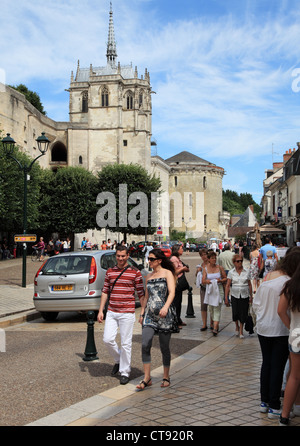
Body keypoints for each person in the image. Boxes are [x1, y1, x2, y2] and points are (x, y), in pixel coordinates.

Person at [252, 247, 300, 420]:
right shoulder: (289, 284)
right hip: (280, 329)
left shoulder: (267, 282)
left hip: (264, 328)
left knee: (267, 364)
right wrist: (291, 328)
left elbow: (256, 305)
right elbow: (284, 311)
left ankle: (264, 402)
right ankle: (273, 404)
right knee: (277, 367)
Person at [97, 245, 145, 385]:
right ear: (115, 256)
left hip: (127, 312)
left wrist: (142, 312)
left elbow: (141, 294)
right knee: (107, 339)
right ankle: (119, 360)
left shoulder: (135, 273)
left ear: (128, 256)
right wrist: (101, 310)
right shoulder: (110, 272)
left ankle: (125, 372)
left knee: (126, 343)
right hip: (112, 311)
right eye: (118, 256)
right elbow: (105, 291)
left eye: (123, 256)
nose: (121, 258)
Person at [136, 248, 177, 391]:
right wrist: (142, 313)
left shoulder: (167, 273)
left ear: (159, 260)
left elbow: (172, 292)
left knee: (164, 346)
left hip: (164, 315)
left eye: (152, 259)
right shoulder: (148, 277)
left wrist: (166, 307)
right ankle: (147, 378)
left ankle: (166, 376)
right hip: (150, 315)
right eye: (149, 259)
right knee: (145, 344)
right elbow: (146, 297)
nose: (149, 261)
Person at [278, 256, 300, 426]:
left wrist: (291, 326)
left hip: (296, 335)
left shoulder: (290, 286)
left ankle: (284, 416)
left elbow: (281, 310)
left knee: (294, 376)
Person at [225, 254, 252, 339]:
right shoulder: (231, 272)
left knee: (243, 312)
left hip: (244, 294)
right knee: (235, 312)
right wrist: (226, 297)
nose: (240, 263)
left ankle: (241, 331)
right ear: (234, 262)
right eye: (238, 261)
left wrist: (251, 296)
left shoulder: (246, 271)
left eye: (241, 261)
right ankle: (236, 325)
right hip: (235, 294)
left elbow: (249, 284)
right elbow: (228, 285)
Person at [202, 251, 227, 336]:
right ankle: (215, 323)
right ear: (208, 259)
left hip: (218, 289)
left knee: (217, 307)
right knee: (211, 309)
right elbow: (203, 281)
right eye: (212, 258)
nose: (214, 259)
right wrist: (207, 281)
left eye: (215, 258)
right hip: (210, 290)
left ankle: (215, 327)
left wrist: (220, 280)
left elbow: (225, 278)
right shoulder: (205, 268)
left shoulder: (219, 268)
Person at [170, 244, 190, 329]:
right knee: (176, 303)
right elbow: (174, 272)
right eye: (181, 249)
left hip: (179, 284)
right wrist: (183, 269)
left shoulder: (178, 259)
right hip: (176, 283)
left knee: (179, 302)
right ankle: (175, 322)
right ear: (177, 250)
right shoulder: (174, 259)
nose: (183, 250)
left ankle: (178, 319)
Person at [196, 248, 210, 331]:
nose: (204, 256)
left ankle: (212, 323)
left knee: (212, 306)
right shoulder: (201, 265)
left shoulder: (211, 264)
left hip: (210, 287)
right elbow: (196, 275)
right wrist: (198, 271)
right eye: (202, 255)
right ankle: (204, 324)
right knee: (203, 306)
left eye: (205, 254)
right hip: (203, 287)